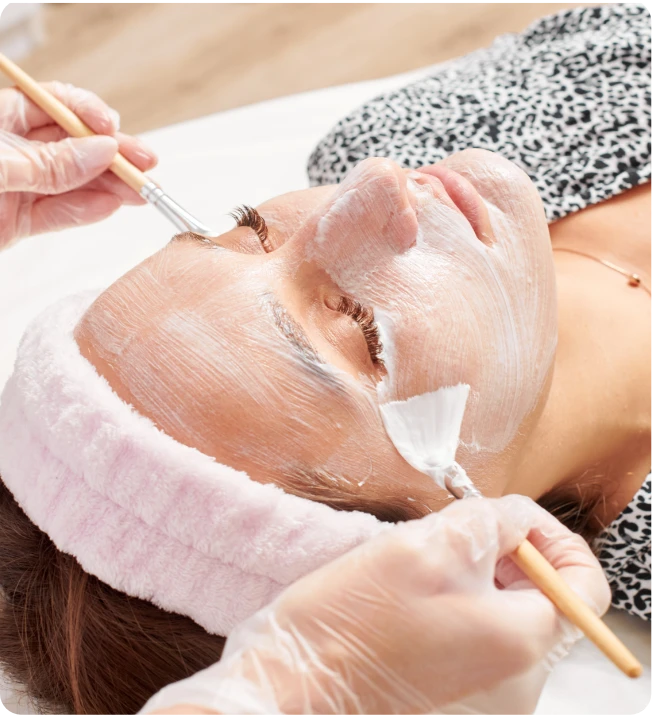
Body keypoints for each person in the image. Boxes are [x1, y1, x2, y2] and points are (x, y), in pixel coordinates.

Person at [0, 3, 649, 714]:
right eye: (356, 322)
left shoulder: (419, 128)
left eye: (251, 231)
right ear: (470, 544)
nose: (375, 181)